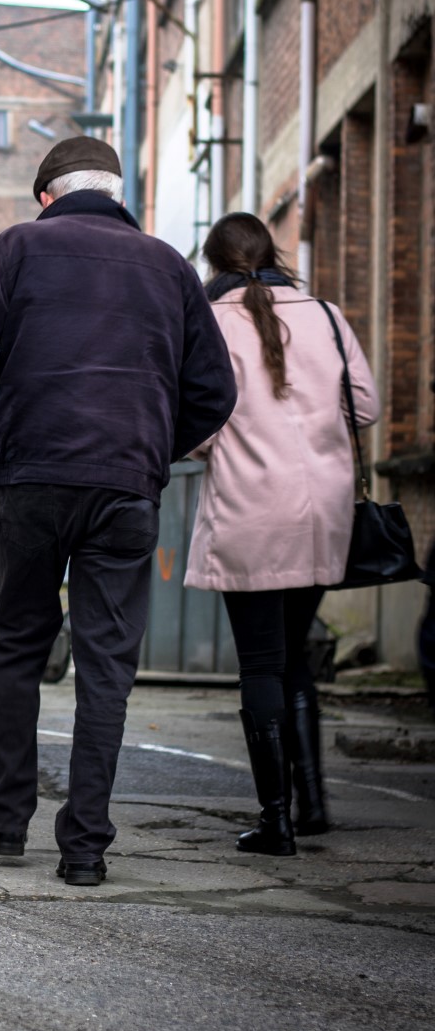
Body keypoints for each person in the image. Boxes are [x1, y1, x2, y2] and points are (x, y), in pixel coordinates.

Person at [0, 137, 237, 887]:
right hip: (125, 486)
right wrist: (149, 453)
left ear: (47, 195)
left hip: (32, 478)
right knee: (107, 665)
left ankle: (7, 822)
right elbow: (215, 389)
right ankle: (86, 848)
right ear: (117, 192)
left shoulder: (17, 249)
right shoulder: (168, 266)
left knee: (18, 644)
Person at [184, 213, 379, 855]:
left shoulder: (211, 321)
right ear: (273, 253)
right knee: (296, 656)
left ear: (214, 265)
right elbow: (365, 407)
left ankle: (277, 820)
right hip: (324, 513)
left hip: (250, 511)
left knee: (261, 664)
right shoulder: (325, 315)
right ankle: (314, 804)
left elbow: (200, 425)